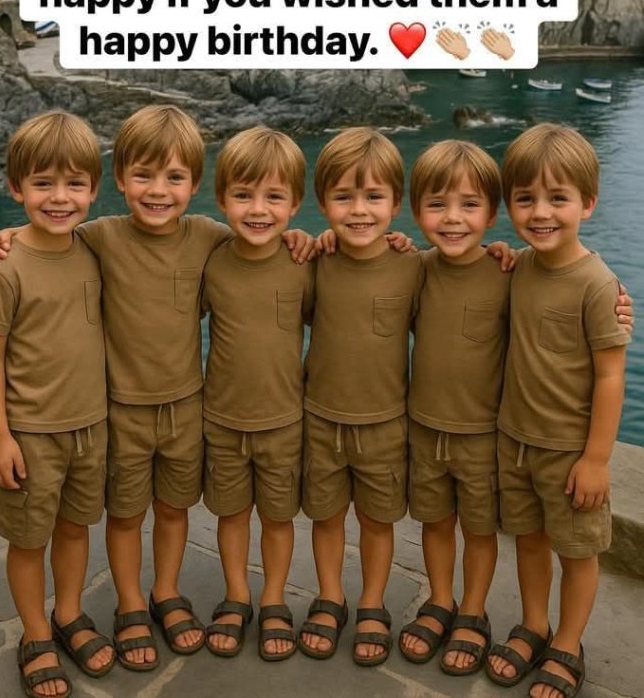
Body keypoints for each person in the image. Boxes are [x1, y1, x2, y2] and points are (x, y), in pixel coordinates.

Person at [0, 104, 314, 673]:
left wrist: (304, 238)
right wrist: (4, 235)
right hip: (118, 412)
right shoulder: (98, 238)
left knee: (173, 508)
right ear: (116, 179)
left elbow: (257, 239)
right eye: (143, 176)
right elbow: (46, 235)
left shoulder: (208, 238)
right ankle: (128, 603)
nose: (158, 191)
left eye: (175, 177)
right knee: (125, 514)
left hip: (186, 408)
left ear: (196, 184)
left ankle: (165, 592)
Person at [0, 111, 114, 698]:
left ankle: (69, 613)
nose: (59, 198)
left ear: (94, 190)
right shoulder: (6, 267)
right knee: (29, 540)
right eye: (43, 184)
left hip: (91, 427)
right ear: (15, 188)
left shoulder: (96, 250)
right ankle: (34, 634)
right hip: (30, 434)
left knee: (76, 528)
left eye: (75, 184)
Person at [487, 123, 630, 698]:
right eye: (525, 199)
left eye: (558, 198)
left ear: (587, 204)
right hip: (516, 439)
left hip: (569, 452)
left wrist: (596, 459)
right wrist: (499, 251)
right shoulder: (517, 266)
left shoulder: (597, 284)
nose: (541, 212)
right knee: (528, 540)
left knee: (577, 552)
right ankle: (534, 624)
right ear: (509, 205)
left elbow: (612, 376)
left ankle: (568, 642)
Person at [298, 127, 423, 667]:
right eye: (343, 197)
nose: (358, 210)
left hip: (385, 422)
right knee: (325, 517)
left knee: (377, 520)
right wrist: (304, 238)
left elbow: (466, 277)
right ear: (322, 201)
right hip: (321, 417)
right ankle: (330, 597)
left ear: (396, 203)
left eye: (374, 196)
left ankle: (372, 601)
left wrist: (502, 253)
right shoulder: (313, 261)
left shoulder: (413, 267)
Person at [200, 127, 315, 661]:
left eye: (274, 197)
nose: (258, 209)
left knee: (277, 517)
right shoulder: (211, 261)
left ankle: (273, 597)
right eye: (243, 195)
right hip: (222, 417)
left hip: (284, 419)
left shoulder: (305, 263)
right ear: (222, 198)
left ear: (295, 203)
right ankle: (236, 595)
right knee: (231, 514)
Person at [399, 140, 509, 676]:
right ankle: (440, 598)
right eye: (437, 205)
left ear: (492, 213)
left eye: (470, 205)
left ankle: (473, 610)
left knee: (480, 529)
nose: (452, 219)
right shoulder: (415, 269)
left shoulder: (509, 272)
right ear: (415, 209)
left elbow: (561, 283)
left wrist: (616, 302)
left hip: (482, 432)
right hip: (425, 426)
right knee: (435, 521)